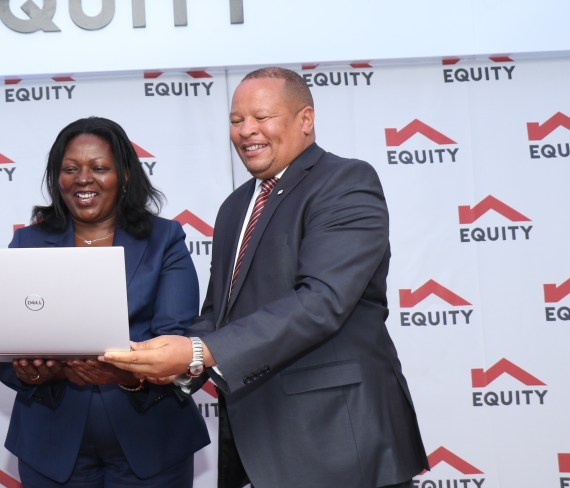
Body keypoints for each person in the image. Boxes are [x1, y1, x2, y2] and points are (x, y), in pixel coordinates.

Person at [103, 68, 428, 488]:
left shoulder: (345, 182)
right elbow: (220, 313)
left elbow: (321, 302)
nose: (246, 131)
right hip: (260, 444)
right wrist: (162, 362)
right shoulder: (235, 206)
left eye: (262, 117)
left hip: (340, 443)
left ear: (305, 120)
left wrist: (198, 351)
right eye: (237, 121)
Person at [0, 117, 209, 487]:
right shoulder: (27, 243)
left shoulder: (165, 239)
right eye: (70, 169)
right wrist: (30, 373)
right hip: (51, 446)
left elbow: (177, 340)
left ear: (124, 175)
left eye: (99, 168)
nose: (83, 179)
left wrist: (126, 373)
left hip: (152, 442)